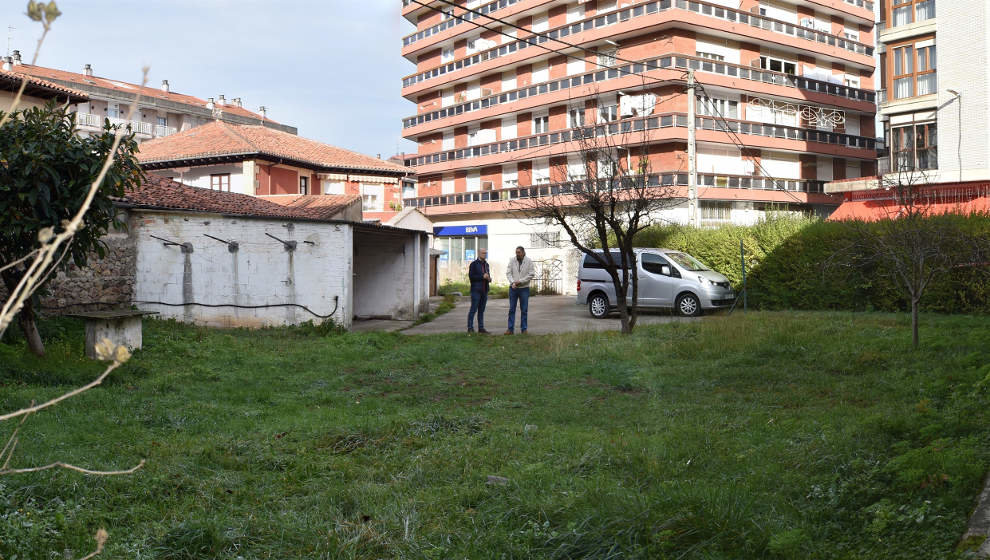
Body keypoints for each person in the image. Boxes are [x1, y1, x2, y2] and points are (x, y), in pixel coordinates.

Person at [505, 246, 534, 334]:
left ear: (523, 252)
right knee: (511, 309)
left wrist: (520, 281)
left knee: (524, 310)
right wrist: (513, 282)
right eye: (516, 252)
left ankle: (524, 329)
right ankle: (510, 329)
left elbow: (531, 274)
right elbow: (508, 273)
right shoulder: (512, 260)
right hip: (513, 288)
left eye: (519, 252)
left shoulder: (529, 261)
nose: (517, 254)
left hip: (524, 289)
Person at [467, 248, 491, 333]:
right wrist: (482, 276)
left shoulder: (486, 265)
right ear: (479, 253)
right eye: (483, 253)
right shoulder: (473, 264)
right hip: (476, 291)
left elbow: (488, 276)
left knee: (481, 310)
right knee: (473, 309)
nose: (485, 254)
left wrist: (489, 278)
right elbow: (471, 277)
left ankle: (481, 328)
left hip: (484, 291)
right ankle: (470, 328)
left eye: (485, 253)